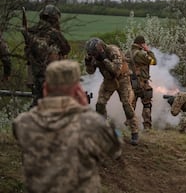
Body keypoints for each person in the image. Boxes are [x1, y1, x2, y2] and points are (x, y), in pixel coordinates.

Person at [12, 60, 121, 193]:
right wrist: (84, 108)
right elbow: (115, 149)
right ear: (78, 89)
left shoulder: (23, 123)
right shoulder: (92, 123)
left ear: (45, 88)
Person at [84, 37, 140, 145]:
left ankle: (134, 132)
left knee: (127, 104)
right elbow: (90, 72)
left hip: (123, 79)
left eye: (94, 53)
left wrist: (104, 59)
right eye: (92, 54)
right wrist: (88, 63)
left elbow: (116, 71)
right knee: (100, 104)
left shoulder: (113, 51)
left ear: (100, 48)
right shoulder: (93, 55)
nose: (93, 56)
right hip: (108, 80)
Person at [22, 4, 71, 106]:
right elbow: (66, 49)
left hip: (34, 74)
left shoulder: (32, 30)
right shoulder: (53, 33)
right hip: (50, 75)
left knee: (39, 101)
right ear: (54, 18)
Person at [125, 35, 157, 130]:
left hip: (131, 83)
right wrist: (148, 50)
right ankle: (147, 127)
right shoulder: (141, 54)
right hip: (142, 83)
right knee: (147, 104)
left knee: (131, 105)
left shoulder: (128, 53)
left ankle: (129, 125)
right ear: (141, 44)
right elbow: (154, 61)